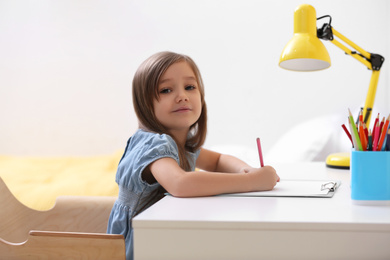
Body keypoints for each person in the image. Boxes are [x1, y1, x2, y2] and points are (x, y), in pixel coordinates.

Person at [107, 51, 280, 260]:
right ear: (144, 103)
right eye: (166, 90)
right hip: (139, 246)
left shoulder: (180, 143)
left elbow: (217, 161)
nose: (182, 96)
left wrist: (247, 169)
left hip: (162, 237)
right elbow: (180, 184)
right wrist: (250, 181)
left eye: (190, 87)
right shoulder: (153, 144)